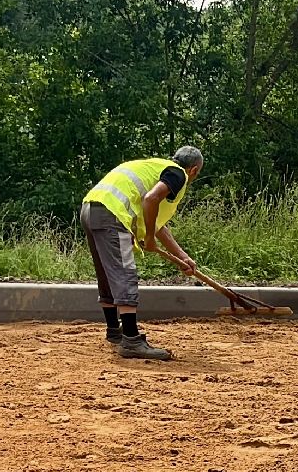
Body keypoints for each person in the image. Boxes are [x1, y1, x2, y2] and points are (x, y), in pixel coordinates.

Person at [79, 145, 204, 360]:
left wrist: (182, 256)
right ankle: (131, 340)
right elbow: (151, 200)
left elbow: (157, 225)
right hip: (112, 214)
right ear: (193, 170)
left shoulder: (154, 167)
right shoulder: (178, 174)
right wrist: (149, 239)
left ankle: (114, 330)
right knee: (124, 274)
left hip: (91, 209)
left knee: (107, 274)